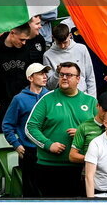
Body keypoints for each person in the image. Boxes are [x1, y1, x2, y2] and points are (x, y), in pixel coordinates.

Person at [25, 61, 98, 197]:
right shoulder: (47, 99)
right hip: (49, 166)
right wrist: (48, 144)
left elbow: (101, 131)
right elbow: (30, 128)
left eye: (69, 75)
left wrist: (82, 133)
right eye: (61, 74)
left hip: (81, 166)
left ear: (78, 79)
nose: (64, 77)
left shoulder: (91, 101)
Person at [1, 62, 48, 197]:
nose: (44, 76)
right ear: (30, 78)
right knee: (30, 190)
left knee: (47, 188)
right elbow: (7, 124)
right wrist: (16, 144)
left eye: (45, 73)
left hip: (47, 148)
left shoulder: (50, 96)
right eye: (40, 73)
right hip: (29, 150)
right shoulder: (19, 99)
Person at [42, 22, 96, 97]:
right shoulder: (47, 55)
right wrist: (57, 73)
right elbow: (49, 86)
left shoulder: (81, 49)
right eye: (59, 43)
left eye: (65, 42)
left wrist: (92, 99)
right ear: (53, 38)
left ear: (70, 35)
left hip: (82, 95)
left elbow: (90, 76)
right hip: (61, 98)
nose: (63, 46)